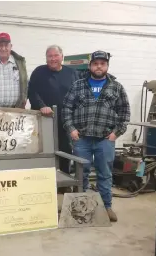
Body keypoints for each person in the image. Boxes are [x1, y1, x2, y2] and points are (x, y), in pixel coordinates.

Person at [62, 50, 131, 222]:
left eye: (102, 64)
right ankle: (79, 207)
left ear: (107, 66)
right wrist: (71, 129)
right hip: (82, 139)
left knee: (105, 174)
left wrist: (116, 133)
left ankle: (106, 206)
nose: (99, 66)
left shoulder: (116, 87)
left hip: (105, 140)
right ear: (90, 65)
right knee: (81, 173)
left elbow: (124, 112)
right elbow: (66, 108)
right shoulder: (78, 85)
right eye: (95, 63)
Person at [28, 45, 79, 175]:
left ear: (62, 56)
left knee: (65, 150)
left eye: (56, 55)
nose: (53, 59)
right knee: (43, 150)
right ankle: (43, 178)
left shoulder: (72, 73)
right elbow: (32, 92)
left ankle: (64, 180)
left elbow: (78, 94)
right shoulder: (39, 72)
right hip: (44, 119)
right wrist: (41, 105)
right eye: (50, 56)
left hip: (65, 121)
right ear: (46, 58)